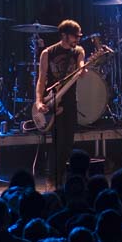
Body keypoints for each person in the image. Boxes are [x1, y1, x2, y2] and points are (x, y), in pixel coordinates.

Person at [35, 19, 86, 190]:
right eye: (74, 36)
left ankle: (63, 181)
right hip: (52, 101)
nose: (77, 40)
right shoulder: (47, 53)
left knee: (67, 144)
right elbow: (41, 80)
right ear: (64, 35)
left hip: (70, 103)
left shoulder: (78, 51)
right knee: (56, 143)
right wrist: (39, 101)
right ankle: (51, 181)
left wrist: (83, 69)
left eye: (78, 37)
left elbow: (80, 65)